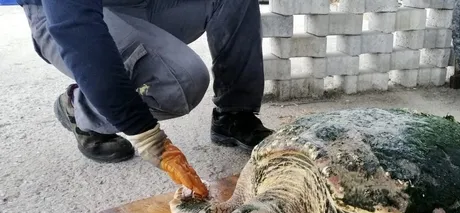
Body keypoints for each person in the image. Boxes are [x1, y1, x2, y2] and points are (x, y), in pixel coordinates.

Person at [17, 0, 274, 195]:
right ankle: (80, 108)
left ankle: (233, 114)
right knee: (181, 82)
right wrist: (146, 135)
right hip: (68, 17)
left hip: (146, 5)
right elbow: (78, 29)